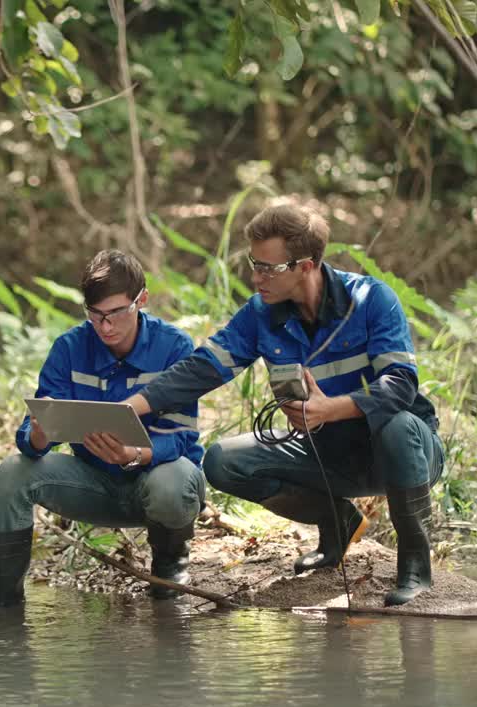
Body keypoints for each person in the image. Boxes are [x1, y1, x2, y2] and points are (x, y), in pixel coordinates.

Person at [124, 203, 444, 606]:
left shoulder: (371, 299)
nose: (256, 278)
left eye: (268, 268)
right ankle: (337, 522)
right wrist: (133, 406)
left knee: (398, 424)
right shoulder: (261, 313)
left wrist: (331, 409)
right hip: (325, 452)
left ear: (306, 266)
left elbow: (400, 386)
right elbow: (203, 368)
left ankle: (415, 566)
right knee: (224, 460)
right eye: (253, 264)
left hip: (402, 451)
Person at [0, 250, 206, 607]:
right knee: (12, 472)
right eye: (95, 315)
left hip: (158, 483)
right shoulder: (70, 348)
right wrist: (39, 436)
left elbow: (183, 439)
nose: (105, 327)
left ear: (142, 300)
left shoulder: (173, 346)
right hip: (92, 483)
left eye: (117, 313)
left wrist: (133, 455)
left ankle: (168, 572)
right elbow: (33, 434)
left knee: (172, 481)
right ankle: (9, 607)